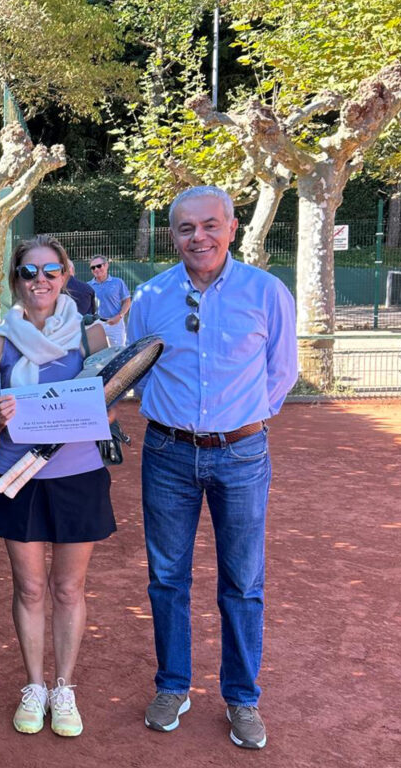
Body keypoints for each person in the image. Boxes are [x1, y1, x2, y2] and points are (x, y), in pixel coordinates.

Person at [127, 186, 297, 750]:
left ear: (231, 228)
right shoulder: (151, 296)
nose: (197, 237)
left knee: (243, 582)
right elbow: (139, 368)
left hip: (242, 455)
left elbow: (282, 371)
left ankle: (242, 698)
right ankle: (173, 686)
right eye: (185, 228)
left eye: (209, 225)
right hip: (167, 454)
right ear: (173, 234)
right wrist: (176, 417)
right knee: (166, 578)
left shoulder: (266, 292)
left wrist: (242, 420)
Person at [0, 235, 116, 738]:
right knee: (31, 587)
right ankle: (34, 686)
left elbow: (111, 403)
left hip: (78, 476)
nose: (40, 280)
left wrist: (95, 410)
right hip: (18, 476)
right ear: (15, 279)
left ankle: (64, 688)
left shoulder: (91, 334)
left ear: (65, 275)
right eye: (29, 272)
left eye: (51, 271)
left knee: (68, 588)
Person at [88, 255, 131, 347]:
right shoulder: (88, 286)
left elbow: (127, 301)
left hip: (115, 324)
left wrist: (119, 316)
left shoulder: (118, 282)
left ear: (106, 265)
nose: (96, 269)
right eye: (93, 267)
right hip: (96, 325)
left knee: (118, 352)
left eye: (99, 266)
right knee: (97, 353)